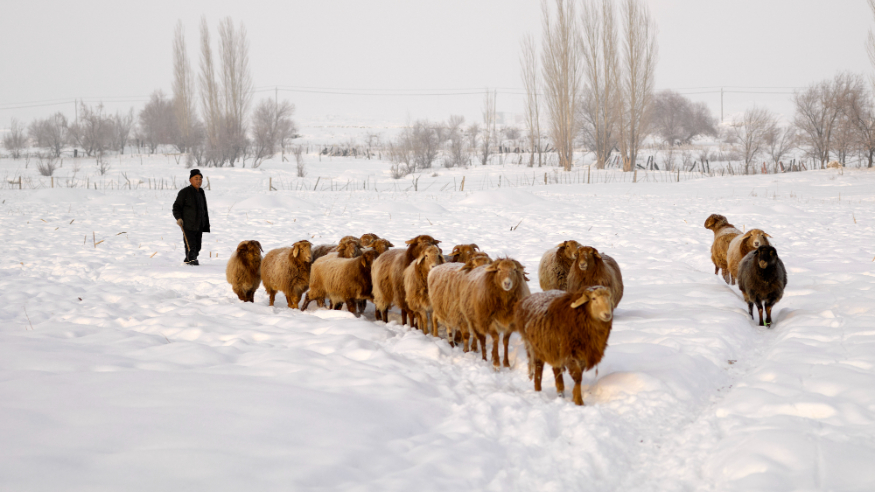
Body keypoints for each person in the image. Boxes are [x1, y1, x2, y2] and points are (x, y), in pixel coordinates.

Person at [172, 169, 210, 265]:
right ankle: (192, 263)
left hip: (199, 224)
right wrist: (178, 218)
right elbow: (176, 206)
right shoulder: (184, 192)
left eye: (200, 179)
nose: (198, 181)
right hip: (188, 224)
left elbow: (204, 208)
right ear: (190, 180)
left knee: (198, 247)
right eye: (196, 178)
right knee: (191, 246)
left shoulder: (201, 192)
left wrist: (205, 222)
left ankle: (187, 261)